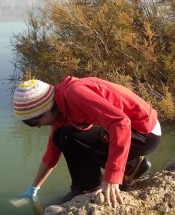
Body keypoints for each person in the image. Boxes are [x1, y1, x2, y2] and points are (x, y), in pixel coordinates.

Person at [13, 76, 161, 207]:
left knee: (68, 135)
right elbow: (52, 151)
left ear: (46, 111)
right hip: (131, 131)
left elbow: (121, 123)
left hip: (145, 133)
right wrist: (33, 190)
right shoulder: (59, 107)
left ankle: (87, 187)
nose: (40, 127)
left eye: (39, 122)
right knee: (61, 136)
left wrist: (112, 177)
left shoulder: (75, 94)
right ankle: (131, 166)